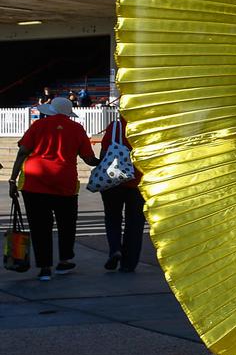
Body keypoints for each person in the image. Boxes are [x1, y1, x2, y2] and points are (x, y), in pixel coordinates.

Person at [7, 97, 100, 280]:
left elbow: (23, 151)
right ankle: (64, 261)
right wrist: (105, 161)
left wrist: (12, 179)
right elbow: (89, 159)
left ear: (51, 110)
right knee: (67, 224)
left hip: (34, 184)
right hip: (65, 184)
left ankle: (44, 268)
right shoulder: (77, 129)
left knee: (40, 226)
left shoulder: (38, 125)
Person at [98, 117, 145, 273]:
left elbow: (105, 151)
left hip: (113, 180)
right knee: (135, 223)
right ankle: (129, 263)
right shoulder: (144, 126)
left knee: (112, 217)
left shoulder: (115, 126)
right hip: (138, 181)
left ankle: (115, 249)